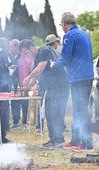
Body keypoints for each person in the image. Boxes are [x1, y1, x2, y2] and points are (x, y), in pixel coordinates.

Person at [53, 12, 94, 150]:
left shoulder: (69, 36)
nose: (62, 27)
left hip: (78, 76)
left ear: (64, 23)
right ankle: (76, 140)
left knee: (81, 110)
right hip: (87, 75)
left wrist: (53, 64)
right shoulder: (84, 34)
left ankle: (86, 143)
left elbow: (65, 58)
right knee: (79, 109)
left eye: (61, 25)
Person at [21, 35, 69, 147]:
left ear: (32, 47)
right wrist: (27, 86)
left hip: (60, 85)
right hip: (52, 87)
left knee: (54, 112)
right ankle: (55, 138)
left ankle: (57, 139)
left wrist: (27, 78)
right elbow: (36, 76)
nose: (27, 55)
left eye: (26, 53)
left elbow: (41, 68)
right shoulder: (38, 57)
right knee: (49, 111)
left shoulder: (44, 51)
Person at [9, 39, 33, 130]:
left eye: (11, 47)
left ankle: (24, 122)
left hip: (23, 82)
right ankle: (15, 121)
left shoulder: (23, 57)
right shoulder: (10, 56)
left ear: (17, 47)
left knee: (24, 102)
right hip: (13, 83)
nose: (10, 49)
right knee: (14, 102)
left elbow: (27, 68)